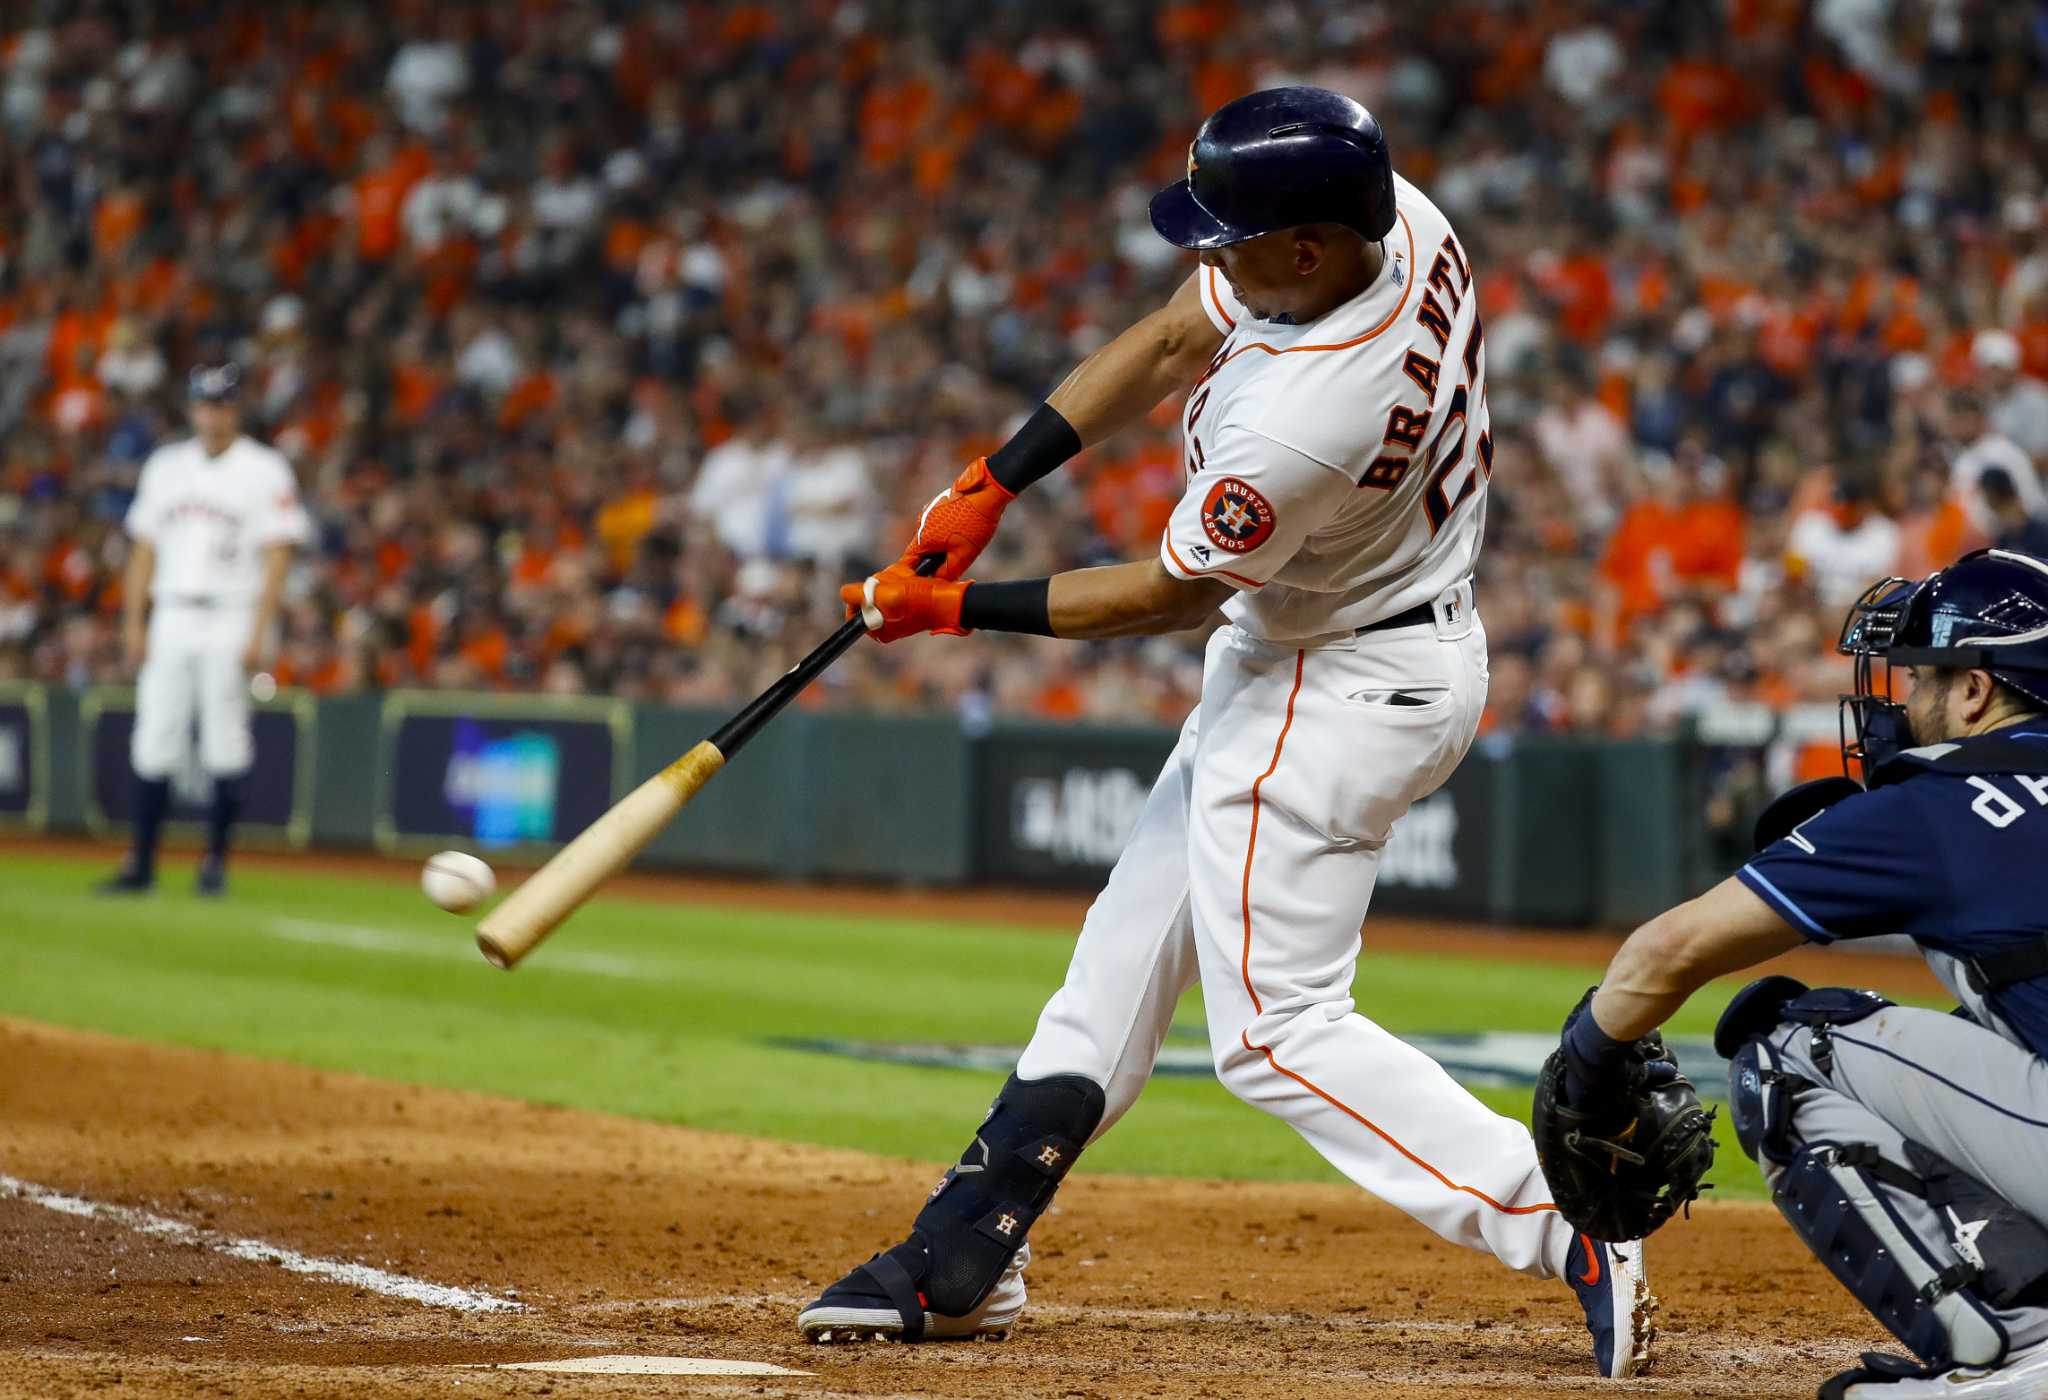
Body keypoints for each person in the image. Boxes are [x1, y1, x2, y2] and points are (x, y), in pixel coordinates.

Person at [798, 87, 1652, 1378]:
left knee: (1276, 1034)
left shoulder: (1311, 417)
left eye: (1231, 235)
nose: (1208, 254)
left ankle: (1565, 1218)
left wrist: (948, 608)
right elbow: (1166, 340)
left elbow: (1168, 591)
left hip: (1332, 682)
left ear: (1307, 246)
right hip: (1360, 645)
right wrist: (994, 480)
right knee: (1119, 964)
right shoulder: (1393, 220)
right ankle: (967, 1248)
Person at [1548, 547, 2048, 1399]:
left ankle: (2016, 1350)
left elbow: (1670, 952)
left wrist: (1590, 1058)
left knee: (1789, 1041)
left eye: (1919, 676)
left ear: (1974, 690)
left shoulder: (1947, 800)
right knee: (1981, 1031)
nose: (1901, 700)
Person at [100, 365, 310, 896]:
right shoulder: (167, 466)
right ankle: (142, 865)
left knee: (225, 739)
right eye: (205, 403)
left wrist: (261, 630)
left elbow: (278, 556)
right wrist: (133, 621)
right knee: (154, 736)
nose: (213, 413)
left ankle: (214, 864)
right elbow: (143, 550)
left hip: (232, 611)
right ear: (192, 408)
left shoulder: (265, 469)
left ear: (237, 408)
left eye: (222, 404)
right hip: (171, 610)